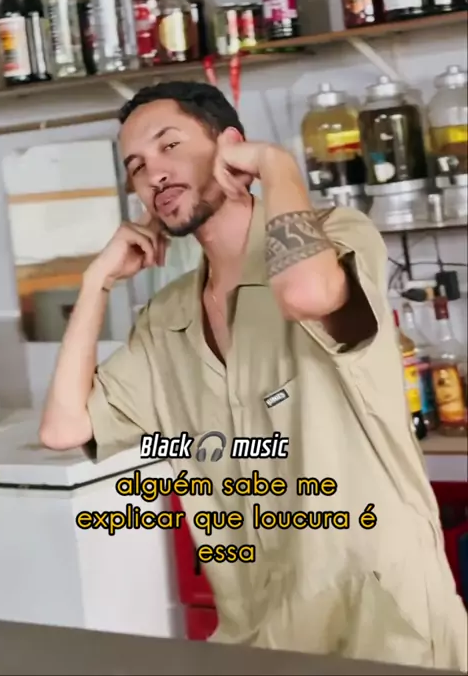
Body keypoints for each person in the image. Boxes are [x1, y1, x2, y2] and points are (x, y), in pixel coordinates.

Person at [40, 81, 467, 672]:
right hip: (259, 631)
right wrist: (96, 283)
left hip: (384, 625)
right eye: (136, 167)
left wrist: (277, 164)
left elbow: (306, 292)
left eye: (169, 145)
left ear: (230, 146)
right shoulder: (166, 319)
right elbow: (63, 428)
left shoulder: (337, 237)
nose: (154, 173)